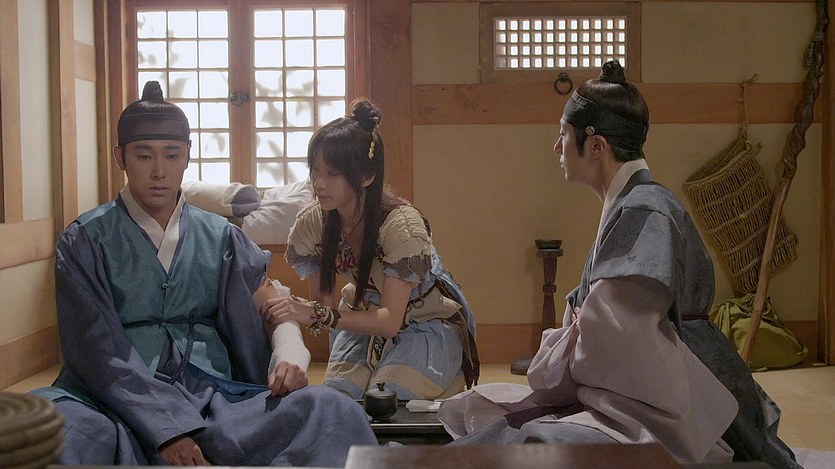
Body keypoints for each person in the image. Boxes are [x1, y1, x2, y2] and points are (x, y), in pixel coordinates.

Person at [436, 61, 801, 468]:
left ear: (597, 146)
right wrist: (575, 331)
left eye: (563, 134)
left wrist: (568, 342)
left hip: (677, 393)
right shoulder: (634, 203)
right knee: (492, 422)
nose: (557, 148)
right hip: (658, 382)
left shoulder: (645, 210)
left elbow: (619, 341)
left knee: (532, 444)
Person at [32, 81, 377, 467]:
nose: (159, 171)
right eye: (143, 156)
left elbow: (270, 303)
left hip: (212, 398)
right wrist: (166, 429)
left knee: (331, 409)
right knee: (49, 431)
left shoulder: (220, 236)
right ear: (120, 158)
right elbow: (96, 351)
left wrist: (289, 354)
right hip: (111, 399)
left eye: (172, 155)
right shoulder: (85, 240)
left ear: (187, 157)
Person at [260, 99, 479, 401]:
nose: (318, 184)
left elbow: (388, 321)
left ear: (366, 176)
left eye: (332, 174)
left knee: (385, 400)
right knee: (339, 399)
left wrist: (315, 313)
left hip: (424, 319)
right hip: (361, 315)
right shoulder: (313, 222)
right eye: (314, 171)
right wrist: (294, 309)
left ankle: (442, 374)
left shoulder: (401, 226)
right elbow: (324, 306)